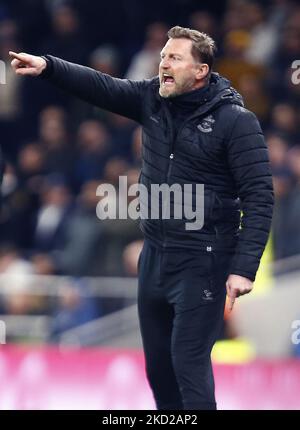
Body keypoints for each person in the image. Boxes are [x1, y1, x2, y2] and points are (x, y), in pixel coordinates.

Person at [9, 25, 274, 410]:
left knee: (189, 364)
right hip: (155, 258)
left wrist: (244, 267)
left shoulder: (236, 121)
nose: (162, 63)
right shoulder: (152, 97)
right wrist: (49, 66)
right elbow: (101, 85)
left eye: (174, 58)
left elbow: (260, 195)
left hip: (203, 259)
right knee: (159, 372)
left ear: (200, 71)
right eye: (163, 55)